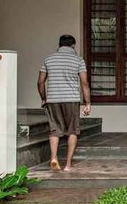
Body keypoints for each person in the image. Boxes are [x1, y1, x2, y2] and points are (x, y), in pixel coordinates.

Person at [37, 34, 91, 172]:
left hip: (53, 99)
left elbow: (40, 82)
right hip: (71, 99)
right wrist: (87, 103)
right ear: (73, 45)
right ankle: (67, 164)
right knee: (72, 130)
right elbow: (84, 83)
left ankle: (54, 158)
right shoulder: (78, 60)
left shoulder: (48, 60)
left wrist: (44, 98)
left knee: (54, 130)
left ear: (59, 45)